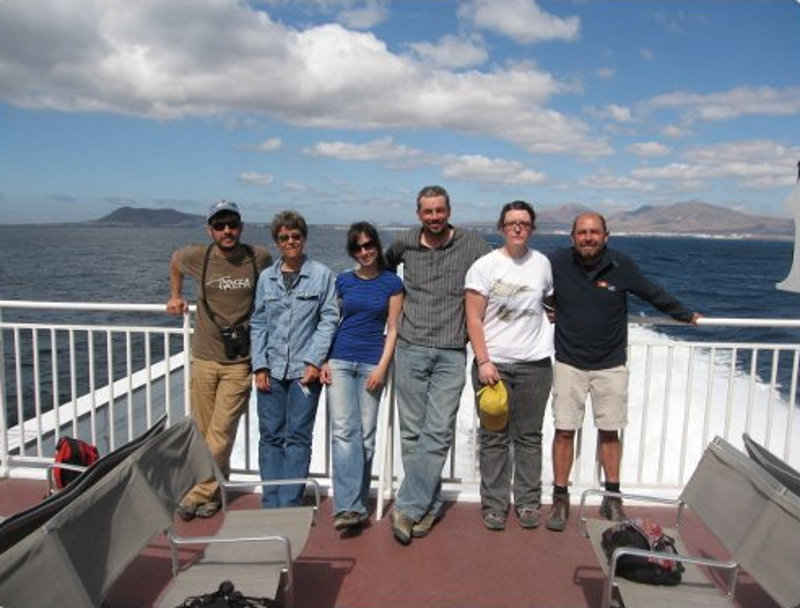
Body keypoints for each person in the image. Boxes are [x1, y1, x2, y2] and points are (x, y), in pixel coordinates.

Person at [545, 211, 701, 531]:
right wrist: (548, 308)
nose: (588, 237)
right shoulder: (557, 263)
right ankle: (560, 499)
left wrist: (685, 314)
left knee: (609, 431)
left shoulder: (621, 265)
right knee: (564, 431)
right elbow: (534, 291)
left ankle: (612, 497)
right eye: (582, 232)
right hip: (568, 363)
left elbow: (652, 292)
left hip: (610, 365)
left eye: (594, 232)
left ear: (606, 236)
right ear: (572, 236)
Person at [385, 185, 490, 544]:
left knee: (438, 432)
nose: (434, 217)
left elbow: (497, 273)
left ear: (449, 211)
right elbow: (382, 273)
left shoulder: (472, 243)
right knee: (412, 434)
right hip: (410, 347)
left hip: (450, 352)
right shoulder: (405, 242)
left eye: (439, 211)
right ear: (419, 214)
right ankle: (427, 507)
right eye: (427, 212)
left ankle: (407, 509)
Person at [166, 200, 272, 521]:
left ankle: (197, 492)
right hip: (204, 356)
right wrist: (175, 295)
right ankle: (215, 492)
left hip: (240, 361)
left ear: (241, 226)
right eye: (220, 225)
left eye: (233, 224)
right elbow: (175, 262)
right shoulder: (199, 256)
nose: (227, 231)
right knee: (202, 431)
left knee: (222, 431)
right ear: (209, 229)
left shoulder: (259, 257)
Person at [464, 200, 553, 531]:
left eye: (525, 223)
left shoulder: (543, 264)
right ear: (501, 227)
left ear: (532, 228)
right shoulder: (485, 266)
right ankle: (495, 503)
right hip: (494, 367)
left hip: (535, 365)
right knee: (494, 437)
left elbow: (551, 301)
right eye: (512, 222)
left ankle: (528, 502)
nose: (518, 227)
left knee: (529, 436)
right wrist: (484, 360)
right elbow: (473, 318)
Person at [250, 210, 338, 508]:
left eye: (296, 236)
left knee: (298, 437)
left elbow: (329, 320)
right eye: (284, 237)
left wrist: (315, 361)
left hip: (305, 372)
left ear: (304, 238)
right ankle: (271, 500)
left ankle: (289, 502)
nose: (291, 242)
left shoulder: (322, 275)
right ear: (276, 241)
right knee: (271, 436)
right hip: (271, 370)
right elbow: (259, 322)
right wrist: (259, 365)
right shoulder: (266, 278)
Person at [320, 222, 404, 531]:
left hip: (372, 363)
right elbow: (330, 320)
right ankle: (348, 507)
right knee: (344, 432)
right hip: (340, 360)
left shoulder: (391, 283)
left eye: (369, 245)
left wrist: (383, 367)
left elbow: (393, 328)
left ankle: (356, 503)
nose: (365, 251)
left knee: (366, 437)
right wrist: (325, 359)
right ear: (351, 251)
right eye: (358, 247)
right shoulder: (342, 281)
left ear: (377, 246)